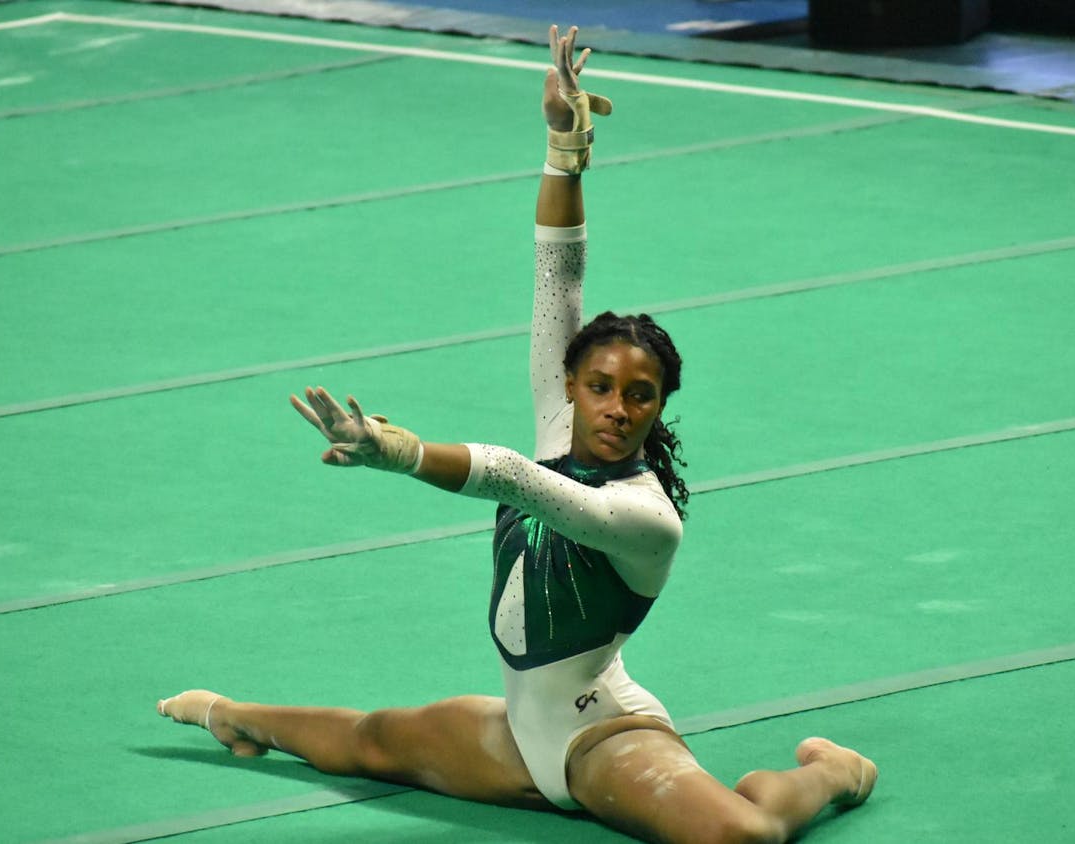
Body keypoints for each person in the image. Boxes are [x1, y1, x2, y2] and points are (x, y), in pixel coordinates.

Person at [157, 25, 877, 843]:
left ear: (658, 407)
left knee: (742, 836)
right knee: (370, 743)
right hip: (517, 733)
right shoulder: (558, 419)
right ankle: (233, 716)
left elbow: (509, 476)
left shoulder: (646, 519)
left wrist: (398, 451)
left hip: (607, 735)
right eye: (598, 386)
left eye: (638, 396)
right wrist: (563, 148)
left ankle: (830, 773)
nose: (613, 407)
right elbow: (556, 271)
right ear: (569, 384)